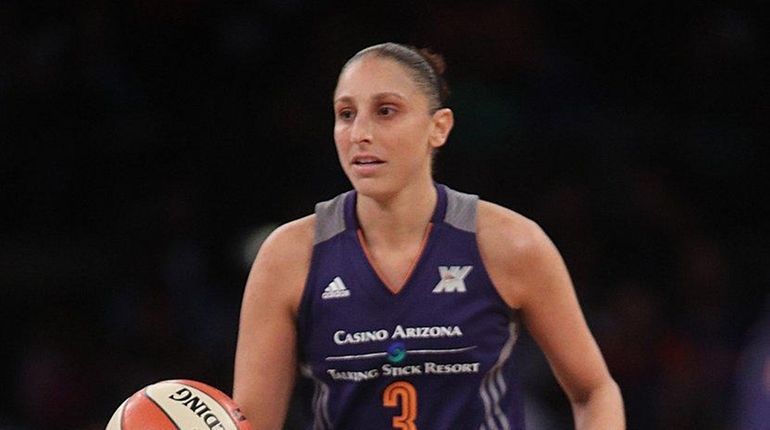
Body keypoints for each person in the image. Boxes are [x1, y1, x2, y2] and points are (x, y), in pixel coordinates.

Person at [233, 42, 625, 429]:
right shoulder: (288, 256)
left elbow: (594, 391)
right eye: (346, 114)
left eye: (386, 111)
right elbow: (250, 424)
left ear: (439, 127)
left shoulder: (509, 243)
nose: (360, 133)